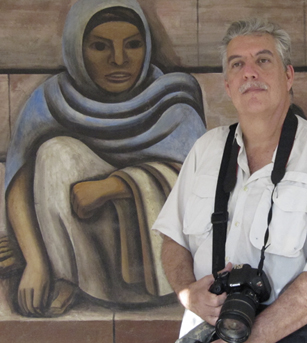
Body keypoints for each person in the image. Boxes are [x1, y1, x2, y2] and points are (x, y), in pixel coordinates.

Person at [152, 18, 307, 343]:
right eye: (237, 64)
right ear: (227, 85)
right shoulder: (205, 150)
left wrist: (254, 337)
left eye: (263, 60)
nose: (249, 72)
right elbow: (173, 241)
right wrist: (188, 292)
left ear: (288, 75)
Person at [4, 0, 206, 317]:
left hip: (160, 268)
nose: (119, 60)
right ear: (77, 49)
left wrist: (113, 186)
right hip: (82, 261)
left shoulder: (173, 99)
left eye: (133, 45)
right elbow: (19, 182)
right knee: (56, 153)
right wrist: (35, 262)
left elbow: (198, 184)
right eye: (100, 46)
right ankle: (68, 277)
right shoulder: (51, 100)